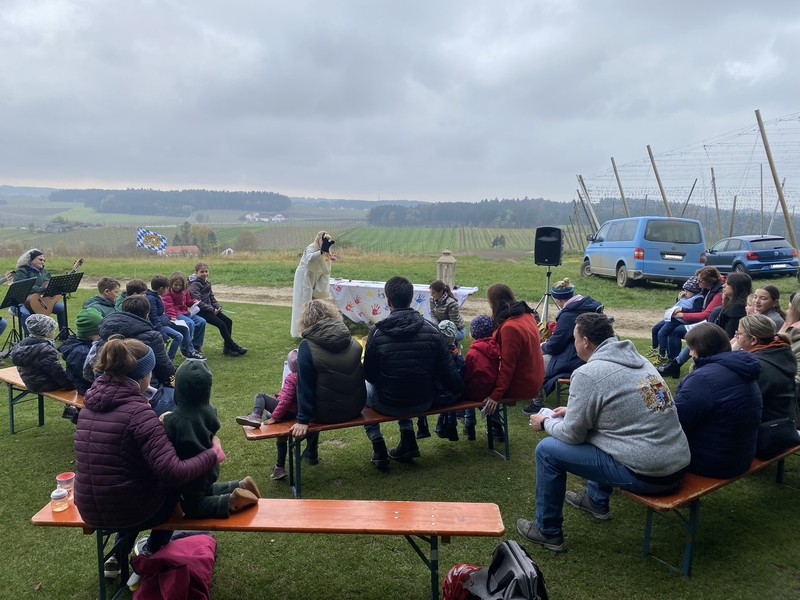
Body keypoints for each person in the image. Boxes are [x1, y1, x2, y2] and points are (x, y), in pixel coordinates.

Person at [517, 313, 690, 552]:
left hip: (650, 474)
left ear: (586, 341)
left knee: (547, 450)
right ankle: (596, 501)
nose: (574, 343)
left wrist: (545, 423)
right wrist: (574, 409)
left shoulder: (588, 373)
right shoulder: (640, 362)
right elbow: (642, 407)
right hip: (676, 462)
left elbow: (572, 435)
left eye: (574, 338)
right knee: (601, 429)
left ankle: (548, 531)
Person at [73, 336, 222, 578]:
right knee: (171, 493)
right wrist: (212, 454)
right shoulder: (138, 413)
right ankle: (153, 550)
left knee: (130, 488)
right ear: (142, 376)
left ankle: (115, 556)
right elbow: (174, 473)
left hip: (88, 506)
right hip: (127, 511)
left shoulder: (89, 405)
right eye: (151, 372)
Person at [362, 277, 463, 467]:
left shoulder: (376, 332)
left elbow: (369, 374)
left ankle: (378, 444)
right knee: (407, 378)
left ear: (389, 302)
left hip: (389, 402)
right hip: (423, 400)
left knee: (363, 387)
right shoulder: (433, 330)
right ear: (411, 298)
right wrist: (461, 390)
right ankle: (407, 438)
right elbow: (447, 371)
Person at [162, 360, 260, 518]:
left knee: (193, 505)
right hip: (209, 469)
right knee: (205, 490)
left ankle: (230, 501)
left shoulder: (175, 420)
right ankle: (240, 485)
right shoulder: (210, 410)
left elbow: (165, 436)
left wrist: (164, 420)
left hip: (190, 473)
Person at [674, 323, 762, 479]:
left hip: (713, 462)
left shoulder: (702, 379)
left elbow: (676, 422)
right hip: (741, 456)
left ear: (701, 349)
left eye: (691, 348)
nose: (691, 353)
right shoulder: (742, 368)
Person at [289, 300, 367, 465]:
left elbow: (304, 387)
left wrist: (302, 420)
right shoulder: (353, 341)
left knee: (294, 394)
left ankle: (310, 452)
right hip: (355, 407)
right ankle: (311, 452)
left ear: (305, 320)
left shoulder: (306, 346)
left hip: (327, 413)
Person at [525, 278, 603, 413]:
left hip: (577, 358)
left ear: (558, 300)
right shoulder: (590, 306)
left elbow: (556, 345)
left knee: (536, 361)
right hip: (594, 354)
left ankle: (537, 403)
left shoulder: (568, 315)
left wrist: (542, 346)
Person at [482, 284, 544, 441]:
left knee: (478, 386)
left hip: (524, 383)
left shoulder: (510, 327)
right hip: (535, 378)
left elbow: (508, 366)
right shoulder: (527, 315)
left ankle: (495, 428)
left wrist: (495, 395)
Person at [96, 296, 176, 416]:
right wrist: (171, 380)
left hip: (106, 391)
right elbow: (164, 367)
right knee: (181, 396)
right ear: (146, 315)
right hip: (142, 392)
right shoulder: (151, 336)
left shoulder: (105, 331)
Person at [664, 273, 752, 372]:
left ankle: (675, 363)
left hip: (722, 345)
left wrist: (683, 315)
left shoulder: (737, 306)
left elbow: (728, 333)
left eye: (727, 284)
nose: (723, 285)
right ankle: (675, 363)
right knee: (691, 334)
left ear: (736, 286)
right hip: (715, 335)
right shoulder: (726, 301)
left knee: (693, 335)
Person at [236, 349, 299, 481]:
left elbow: (285, 402)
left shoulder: (292, 377)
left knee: (261, 396)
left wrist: (275, 417)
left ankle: (255, 416)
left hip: (288, 412)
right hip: (301, 414)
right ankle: (281, 466)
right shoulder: (309, 375)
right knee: (270, 416)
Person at [737, 314, 799, 437]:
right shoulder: (782, 351)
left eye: (738, 334)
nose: (737, 337)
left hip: (767, 431)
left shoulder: (757, 367)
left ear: (754, 340)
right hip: (784, 422)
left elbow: (741, 404)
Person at [658, 266, 724, 378]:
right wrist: (682, 300)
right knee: (670, 328)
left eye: (700, 280)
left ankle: (674, 364)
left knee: (676, 331)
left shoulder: (718, 294)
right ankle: (672, 363)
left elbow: (706, 315)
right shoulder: (708, 289)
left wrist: (682, 315)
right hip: (701, 322)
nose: (697, 283)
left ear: (709, 281)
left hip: (707, 325)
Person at [188, 262, 247, 357]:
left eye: (206, 271)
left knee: (228, 321)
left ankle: (227, 348)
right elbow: (197, 302)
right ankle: (233, 346)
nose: (204, 274)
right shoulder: (193, 285)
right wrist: (212, 309)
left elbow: (211, 297)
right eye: (202, 272)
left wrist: (217, 306)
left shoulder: (207, 282)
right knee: (222, 324)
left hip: (210, 309)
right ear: (196, 272)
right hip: (200, 311)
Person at [58, 308, 103, 423]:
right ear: (94, 332)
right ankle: (81, 417)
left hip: (88, 386)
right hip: (87, 388)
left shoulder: (83, 345)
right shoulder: (81, 352)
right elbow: (88, 376)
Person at [645, 276, 703, 366]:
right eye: (684, 290)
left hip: (680, 319)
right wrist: (678, 299)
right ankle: (655, 347)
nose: (685, 292)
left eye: (687, 291)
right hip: (672, 317)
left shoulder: (698, 298)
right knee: (655, 329)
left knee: (662, 333)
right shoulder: (686, 296)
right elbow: (679, 303)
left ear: (695, 291)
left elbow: (695, 310)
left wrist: (681, 309)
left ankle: (662, 355)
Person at [461, 315, 500, 441]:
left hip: (476, 390)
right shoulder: (496, 347)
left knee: (465, 392)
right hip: (492, 388)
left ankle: (469, 424)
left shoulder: (473, 353)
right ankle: (496, 427)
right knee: (491, 404)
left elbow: (467, 374)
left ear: (474, 334)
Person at [11, 314, 75, 392]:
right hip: (45, 384)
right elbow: (56, 372)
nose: (54, 333)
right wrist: (71, 385)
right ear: (46, 332)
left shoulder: (21, 344)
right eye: (52, 330)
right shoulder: (46, 349)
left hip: (30, 382)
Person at [290, 231, 335, 338]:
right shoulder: (310, 248)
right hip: (304, 276)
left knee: (313, 302)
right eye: (322, 240)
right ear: (318, 240)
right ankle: (300, 331)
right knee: (303, 302)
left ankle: (311, 329)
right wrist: (321, 251)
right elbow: (310, 259)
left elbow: (324, 264)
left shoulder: (324, 249)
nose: (323, 243)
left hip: (314, 276)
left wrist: (328, 255)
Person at [147, 275, 202, 361]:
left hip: (164, 321)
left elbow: (159, 315)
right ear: (161, 288)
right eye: (166, 288)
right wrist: (163, 334)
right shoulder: (152, 299)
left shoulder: (156, 297)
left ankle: (191, 352)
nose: (167, 290)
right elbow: (154, 318)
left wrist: (169, 317)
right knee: (178, 336)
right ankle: (169, 360)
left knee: (184, 328)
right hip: (158, 325)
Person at [14, 249, 67, 337]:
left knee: (61, 308)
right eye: (40, 260)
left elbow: (49, 285)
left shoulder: (45, 272)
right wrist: (41, 288)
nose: (43, 262)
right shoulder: (22, 271)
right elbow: (22, 287)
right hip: (23, 301)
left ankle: (64, 335)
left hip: (42, 300)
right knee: (25, 314)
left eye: (44, 260)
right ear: (30, 260)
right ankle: (30, 338)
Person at [430, 320, 466, 442]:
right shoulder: (458, 358)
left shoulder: (434, 356)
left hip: (435, 396)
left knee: (445, 392)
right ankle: (451, 426)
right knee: (453, 394)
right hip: (453, 396)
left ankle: (441, 424)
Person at [163, 271, 207, 357]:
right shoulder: (167, 293)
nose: (178, 287)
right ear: (171, 283)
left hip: (185, 312)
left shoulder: (185, 291)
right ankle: (185, 348)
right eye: (176, 285)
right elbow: (169, 306)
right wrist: (173, 317)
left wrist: (193, 302)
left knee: (202, 321)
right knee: (189, 323)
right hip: (176, 313)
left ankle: (196, 345)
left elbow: (187, 302)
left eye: (180, 285)